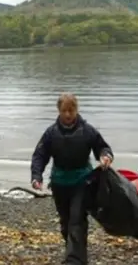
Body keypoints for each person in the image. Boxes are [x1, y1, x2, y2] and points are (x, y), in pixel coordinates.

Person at [30, 92, 114, 265]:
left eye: (71, 110)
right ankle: (73, 250)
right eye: (64, 110)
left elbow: (102, 147)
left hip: (82, 181)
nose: (68, 114)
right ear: (59, 111)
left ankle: (75, 260)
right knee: (66, 222)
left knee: (77, 219)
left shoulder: (87, 130)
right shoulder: (51, 133)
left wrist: (105, 157)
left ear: (77, 109)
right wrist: (36, 177)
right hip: (60, 183)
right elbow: (40, 155)